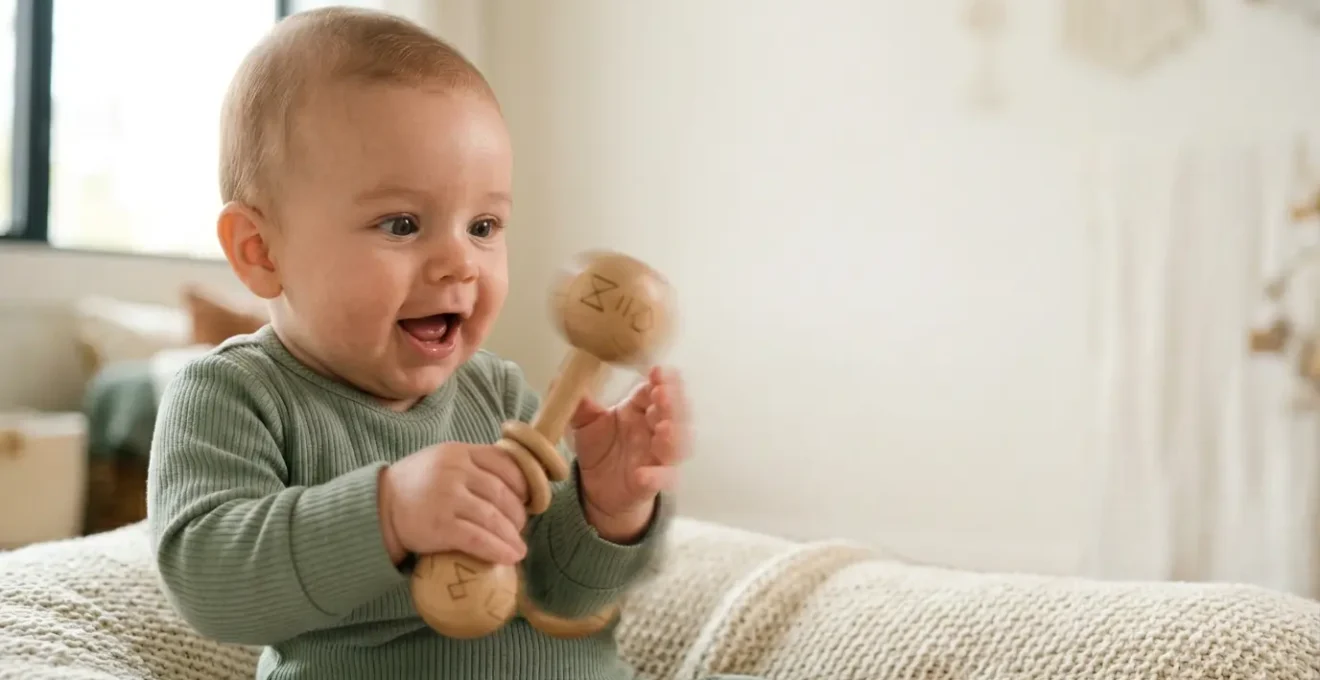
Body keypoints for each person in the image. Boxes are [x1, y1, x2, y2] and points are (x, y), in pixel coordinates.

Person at [145, 7, 751, 679]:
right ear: (261, 252)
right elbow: (208, 580)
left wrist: (607, 512)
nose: (460, 262)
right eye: (402, 223)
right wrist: (387, 513)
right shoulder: (234, 395)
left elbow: (565, 592)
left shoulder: (498, 395)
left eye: (484, 225)